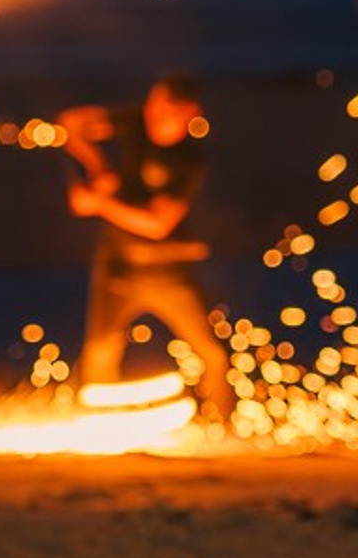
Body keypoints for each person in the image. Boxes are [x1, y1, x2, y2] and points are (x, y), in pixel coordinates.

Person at [67, 73, 236, 424]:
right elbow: (70, 124)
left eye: (166, 112)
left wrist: (99, 203)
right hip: (117, 268)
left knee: (211, 354)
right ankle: (97, 424)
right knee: (99, 350)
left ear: (189, 114)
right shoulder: (132, 123)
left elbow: (157, 225)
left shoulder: (189, 161)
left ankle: (223, 423)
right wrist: (97, 169)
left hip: (168, 273)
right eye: (152, 107)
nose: (155, 117)